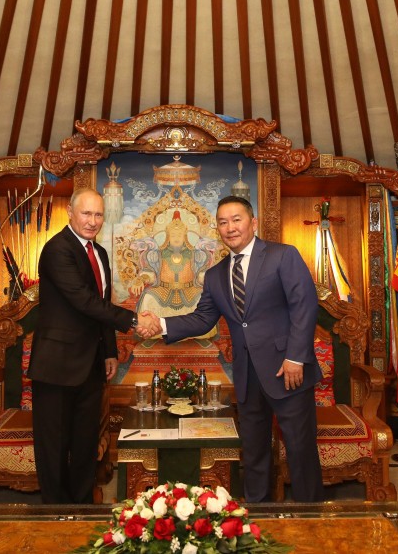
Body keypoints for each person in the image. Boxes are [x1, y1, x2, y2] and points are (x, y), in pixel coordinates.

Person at [137, 195, 324, 502]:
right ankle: (257, 514)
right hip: (247, 375)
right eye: (223, 222)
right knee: (254, 451)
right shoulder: (215, 275)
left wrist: (295, 357)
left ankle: (310, 515)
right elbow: (202, 319)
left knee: (300, 448)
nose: (230, 227)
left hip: (287, 370)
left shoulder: (282, 255)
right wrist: (161, 323)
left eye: (236, 220)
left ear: (253, 222)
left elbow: (304, 306)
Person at [29, 188, 150, 503]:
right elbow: (83, 300)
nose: (93, 221)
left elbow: (100, 305)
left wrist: (109, 351)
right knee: (54, 447)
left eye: (98, 215)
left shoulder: (100, 253)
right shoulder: (58, 249)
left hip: (92, 363)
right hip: (57, 365)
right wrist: (134, 320)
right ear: (71, 212)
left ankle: (82, 507)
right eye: (86, 213)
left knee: (84, 443)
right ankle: (55, 512)